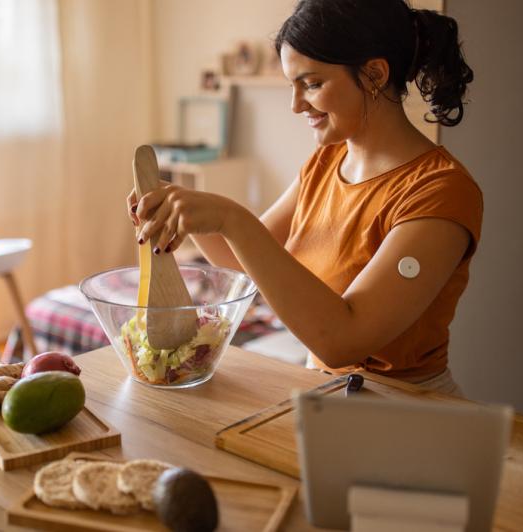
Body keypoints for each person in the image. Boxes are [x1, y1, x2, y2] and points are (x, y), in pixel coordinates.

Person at [127, 0, 478, 396]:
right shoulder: (326, 162)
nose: (296, 106)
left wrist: (230, 217)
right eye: (292, 86)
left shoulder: (440, 192)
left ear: (375, 75)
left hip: (407, 408)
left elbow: (343, 338)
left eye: (311, 84)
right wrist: (187, 211)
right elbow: (244, 263)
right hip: (321, 392)